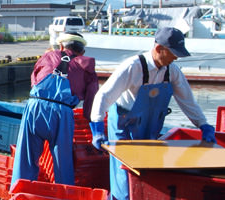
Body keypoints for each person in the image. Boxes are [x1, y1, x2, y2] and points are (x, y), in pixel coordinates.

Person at [89, 27, 216, 200]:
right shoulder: (133, 66)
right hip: (123, 126)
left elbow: (188, 101)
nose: (176, 57)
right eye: (173, 53)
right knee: (124, 179)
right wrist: (96, 127)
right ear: (159, 49)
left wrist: (204, 125)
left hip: (149, 125)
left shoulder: (172, 71)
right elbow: (104, 96)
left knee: (145, 174)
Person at [11, 32, 99, 186]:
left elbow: (34, 79)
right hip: (62, 114)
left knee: (25, 158)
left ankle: (20, 191)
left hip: (35, 107)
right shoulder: (88, 67)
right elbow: (92, 100)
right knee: (63, 163)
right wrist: (90, 121)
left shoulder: (48, 56)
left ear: (61, 46)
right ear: (82, 52)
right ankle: (64, 194)